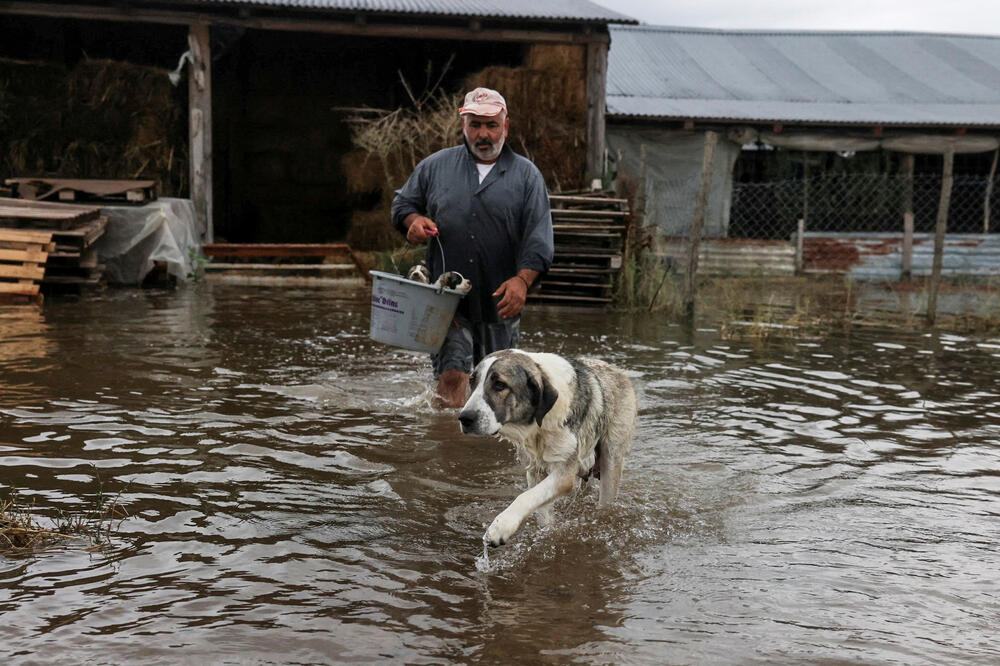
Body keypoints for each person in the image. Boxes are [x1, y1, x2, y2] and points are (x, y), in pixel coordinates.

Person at [391, 87, 554, 408]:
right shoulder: (435, 167)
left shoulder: (527, 176)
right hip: (446, 301)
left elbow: (539, 237)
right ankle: (450, 452)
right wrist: (412, 221)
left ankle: (481, 451)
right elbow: (402, 204)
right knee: (452, 378)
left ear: (505, 126)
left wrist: (523, 281)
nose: (483, 134)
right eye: (475, 124)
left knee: (496, 392)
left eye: (491, 125)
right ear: (463, 126)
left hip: (499, 303)